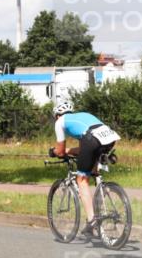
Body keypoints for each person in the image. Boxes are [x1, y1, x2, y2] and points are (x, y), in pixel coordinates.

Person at [49, 100, 121, 237]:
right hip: (109, 138)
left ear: (57, 115)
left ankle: (92, 219)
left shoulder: (60, 122)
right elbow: (84, 148)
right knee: (93, 172)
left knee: (82, 180)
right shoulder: (82, 116)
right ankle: (101, 191)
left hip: (91, 140)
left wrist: (54, 152)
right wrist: (69, 150)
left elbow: (60, 151)